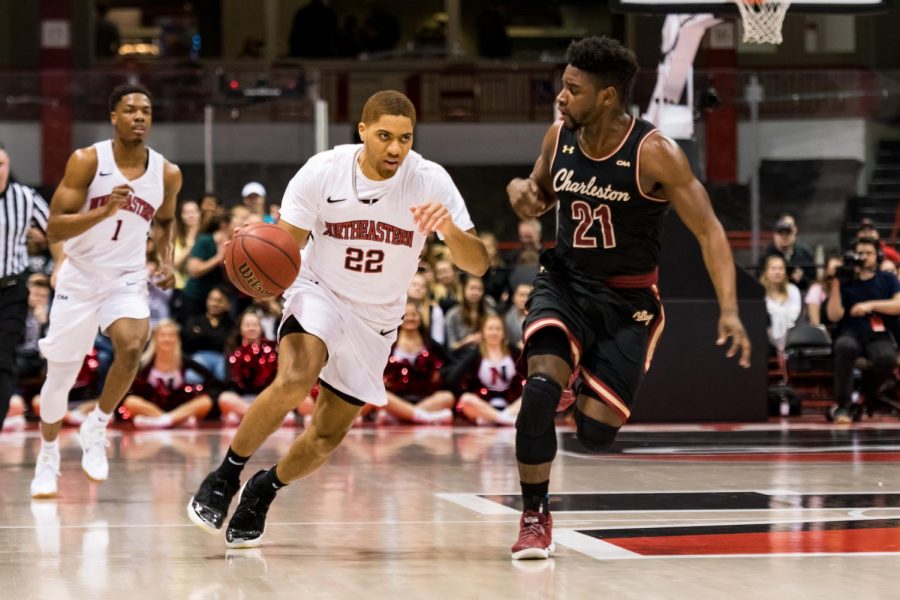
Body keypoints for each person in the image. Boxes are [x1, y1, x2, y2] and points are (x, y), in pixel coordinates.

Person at [186, 90, 488, 548]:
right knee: (294, 378)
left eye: (405, 138)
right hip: (319, 292)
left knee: (327, 434)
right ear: (362, 131)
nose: (394, 149)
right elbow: (283, 249)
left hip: (378, 318)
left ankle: (263, 489)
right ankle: (225, 476)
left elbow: (479, 264)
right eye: (384, 136)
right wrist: (260, 277)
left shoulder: (429, 181)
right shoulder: (324, 171)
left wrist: (447, 228)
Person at [505, 36, 750, 560]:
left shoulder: (655, 152)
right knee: (540, 390)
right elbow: (540, 194)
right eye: (562, 86)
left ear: (609, 96)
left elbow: (709, 231)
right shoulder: (558, 136)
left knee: (595, 434)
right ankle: (534, 516)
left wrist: (729, 308)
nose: (561, 97)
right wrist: (520, 192)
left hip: (628, 302)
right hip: (565, 284)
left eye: (573, 89)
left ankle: (580, 380)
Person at [30, 83, 181, 499]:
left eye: (146, 111)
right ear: (113, 117)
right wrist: (103, 210)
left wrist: (165, 261)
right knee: (59, 377)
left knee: (132, 346)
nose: (139, 117)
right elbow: (55, 227)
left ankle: (96, 425)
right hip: (80, 276)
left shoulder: (167, 172)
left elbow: (165, 222)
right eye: (130, 110)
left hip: (126, 276)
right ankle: (47, 456)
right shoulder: (86, 161)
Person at [0, 142, 53, 431]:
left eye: (0, 164)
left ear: (8, 165)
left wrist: (60, 265)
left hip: (10, 289)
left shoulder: (26, 198)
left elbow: (55, 230)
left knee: (2, 358)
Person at [825, 237, 900, 424]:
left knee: (887, 358)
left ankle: (863, 396)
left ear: (878, 256)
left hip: (878, 333)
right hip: (851, 331)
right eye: (861, 253)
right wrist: (835, 283)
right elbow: (834, 316)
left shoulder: (887, 278)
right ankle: (843, 405)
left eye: (869, 253)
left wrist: (870, 305)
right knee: (845, 346)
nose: (864, 257)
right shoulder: (846, 280)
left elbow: (898, 305)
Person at [122, 320, 216, 429]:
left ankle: (161, 422)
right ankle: (175, 422)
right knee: (130, 402)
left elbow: (210, 378)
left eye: (171, 335)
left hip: (179, 408)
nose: (167, 339)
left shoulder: (183, 360)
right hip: (151, 407)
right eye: (162, 335)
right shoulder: (144, 363)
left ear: (177, 339)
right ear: (155, 338)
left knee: (206, 401)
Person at [379, 302, 454, 425]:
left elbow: (452, 363)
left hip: (425, 397)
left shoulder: (429, 342)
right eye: (406, 315)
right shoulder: (391, 342)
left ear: (420, 318)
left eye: (414, 315)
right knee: (381, 396)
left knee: (447, 397)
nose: (410, 318)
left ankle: (399, 416)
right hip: (396, 397)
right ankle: (424, 416)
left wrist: (440, 373)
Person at [450, 314, 523, 426]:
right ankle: (505, 419)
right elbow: (453, 377)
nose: (494, 332)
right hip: (483, 404)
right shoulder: (475, 354)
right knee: (466, 399)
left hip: (511, 403)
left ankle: (495, 418)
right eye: (490, 329)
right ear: (483, 333)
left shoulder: (514, 352)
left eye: (498, 329)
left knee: (531, 395)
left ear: (504, 333)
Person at [758, 214, 816, 293]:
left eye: (787, 233)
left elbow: (813, 280)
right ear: (775, 236)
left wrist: (801, 279)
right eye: (781, 233)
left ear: (794, 235)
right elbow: (758, 279)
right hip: (772, 295)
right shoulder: (766, 256)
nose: (784, 237)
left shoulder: (804, 254)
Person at [760, 255, 802, 352]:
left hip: (790, 331)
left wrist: (778, 315)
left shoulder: (793, 290)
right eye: (773, 268)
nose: (777, 272)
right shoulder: (759, 291)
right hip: (764, 333)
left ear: (784, 273)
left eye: (780, 268)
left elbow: (795, 314)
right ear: (766, 272)